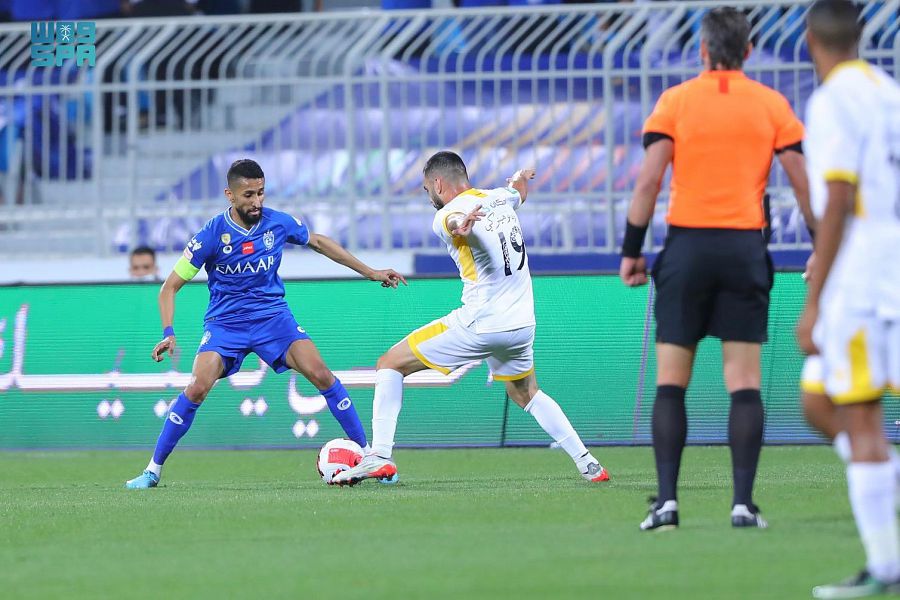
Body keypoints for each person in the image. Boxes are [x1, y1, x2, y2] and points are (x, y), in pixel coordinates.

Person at [619, 7, 813, 530]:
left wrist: (632, 250)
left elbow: (647, 182)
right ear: (748, 51)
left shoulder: (675, 101)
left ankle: (666, 504)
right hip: (744, 249)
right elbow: (801, 179)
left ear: (702, 51)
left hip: (687, 249)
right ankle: (743, 505)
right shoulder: (772, 104)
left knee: (670, 385)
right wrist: (821, 243)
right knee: (744, 384)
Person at [125, 159, 406, 489]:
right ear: (230, 195)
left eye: (260, 193)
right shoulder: (211, 235)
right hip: (225, 324)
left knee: (321, 374)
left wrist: (370, 272)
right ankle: (152, 470)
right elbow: (169, 287)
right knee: (198, 386)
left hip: (273, 319)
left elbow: (318, 242)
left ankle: (371, 456)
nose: (256, 201)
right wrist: (168, 333)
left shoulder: (277, 223)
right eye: (248, 195)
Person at [333, 151, 609, 486]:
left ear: (438, 183)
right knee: (526, 393)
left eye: (426, 189)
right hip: (521, 325)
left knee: (390, 363)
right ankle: (588, 463)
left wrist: (458, 226)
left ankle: (379, 455)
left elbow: (453, 222)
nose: (428, 197)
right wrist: (519, 180)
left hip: (481, 324)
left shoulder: (447, 214)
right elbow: (518, 193)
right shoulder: (499, 198)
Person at [795, 1, 900, 596]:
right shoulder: (888, 92)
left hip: (863, 281)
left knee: (859, 417)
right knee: (818, 397)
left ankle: (884, 568)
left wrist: (816, 300)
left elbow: (837, 197)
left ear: (810, 40)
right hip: (892, 267)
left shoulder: (833, 100)